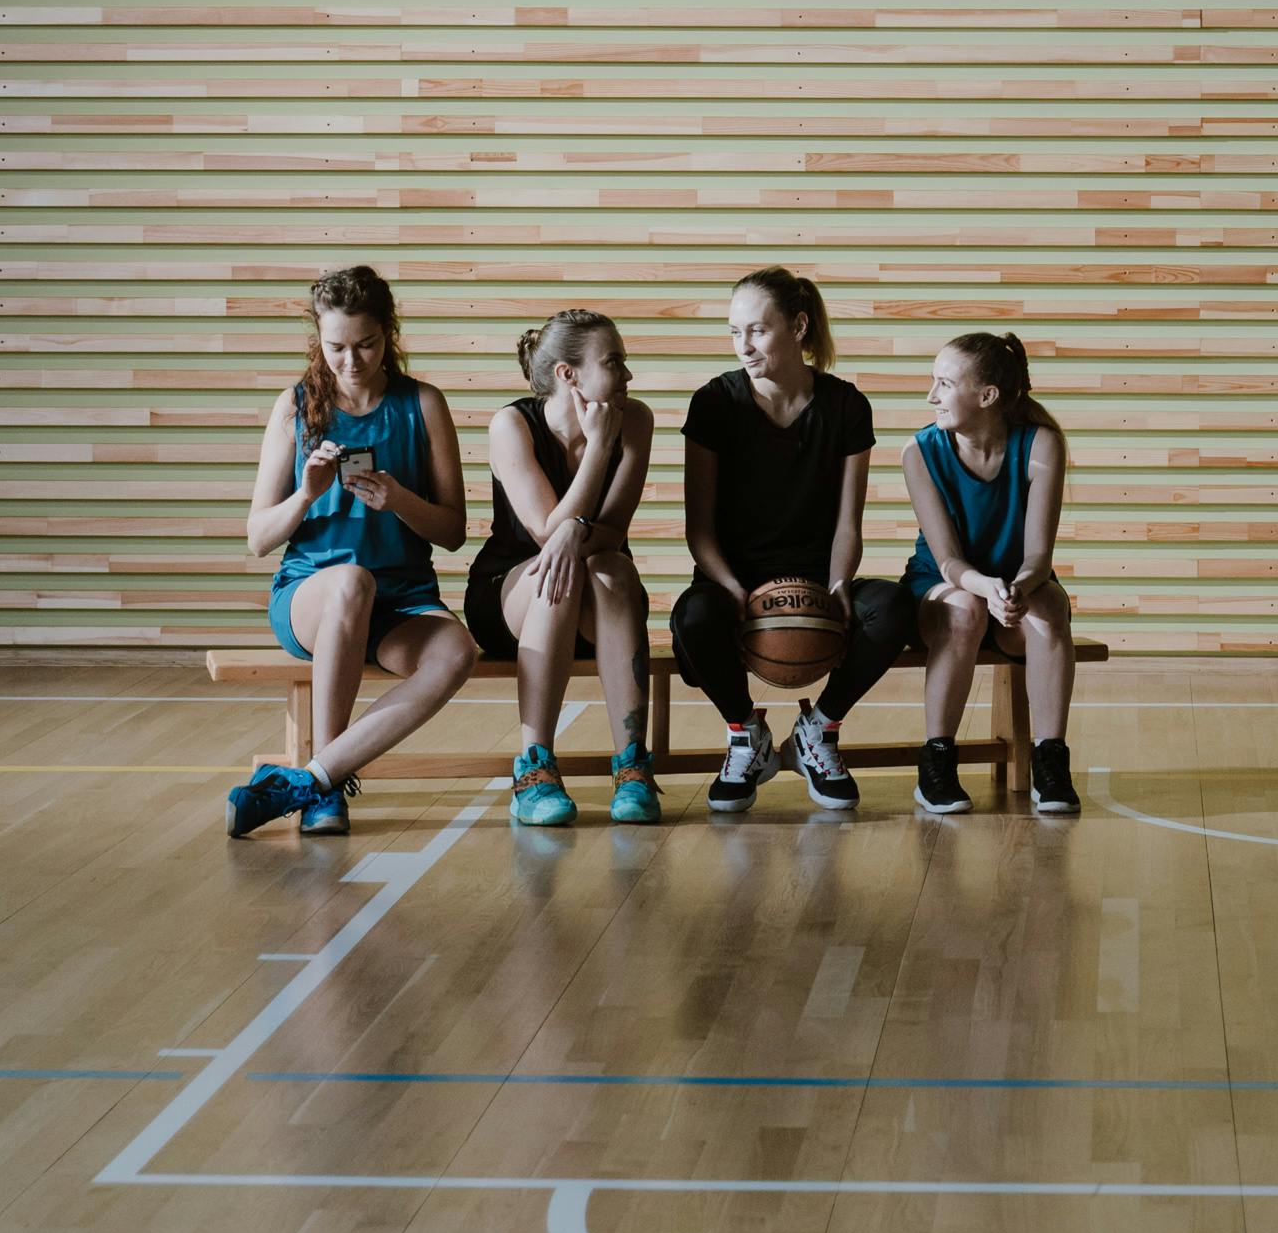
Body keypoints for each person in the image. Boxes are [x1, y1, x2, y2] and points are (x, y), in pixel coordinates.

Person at [231, 262, 478, 838]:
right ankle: (326, 789)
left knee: (457, 654)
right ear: (317, 339)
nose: (350, 361)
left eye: (365, 344)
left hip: (402, 599)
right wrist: (306, 495)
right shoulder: (295, 407)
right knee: (350, 580)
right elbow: (259, 538)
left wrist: (398, 500)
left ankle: (316, 778)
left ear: (388, 334)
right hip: (312, 597)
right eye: (335, 346)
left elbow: (452, 531)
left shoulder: (424, 404)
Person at [676, 267, 913, 818]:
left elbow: (847, 523)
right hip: (731, 577)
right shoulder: (714, 403)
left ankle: (818, 730)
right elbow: (699, 529)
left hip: (815, 575)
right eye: (735, 332)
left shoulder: (847, 406)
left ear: (799, 327)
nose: (744, 345)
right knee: (692, 620)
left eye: (757, 330)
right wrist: (732, 587)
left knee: (894, 608)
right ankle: (746, 736)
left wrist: (837, 583)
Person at [469, 309, 661, 827]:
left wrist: (575, 529)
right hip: (511, 589)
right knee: (562, 570)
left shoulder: (636, 419)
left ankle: (632, 767)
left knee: (612, 570)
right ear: (567, 375)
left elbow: (613, 529)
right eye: (614, 362)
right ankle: (534, 769)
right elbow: (542, 533)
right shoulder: (511, 425)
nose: (627, 375)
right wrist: (598, 446)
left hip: (598, 588)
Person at [902, 330, 1078, 819]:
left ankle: (1051, 762)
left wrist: (1018, 589)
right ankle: (935, 762)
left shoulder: (1041, 444)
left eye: (943, 383)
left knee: (1050, 609)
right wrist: (986, 589)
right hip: (945, 588)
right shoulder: (919, 452)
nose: (931, 396)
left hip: (1015, 589)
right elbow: (947, 562)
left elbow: (1039, 556)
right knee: (964, 611)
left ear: (987, 396)